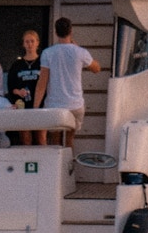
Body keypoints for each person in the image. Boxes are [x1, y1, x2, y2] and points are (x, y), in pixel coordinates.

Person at [34, 17, 101, 148]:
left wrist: (36, 107)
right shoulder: (80, 52)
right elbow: (96, 69)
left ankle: (57, 167)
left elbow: (42, 83)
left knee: (55, 140)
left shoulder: (48, 53)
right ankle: (70, 166)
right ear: (71, 31)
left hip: (55, 104)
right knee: (70, 140)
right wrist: (78, 48)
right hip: (75, 104)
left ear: (55, 32)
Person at [8, 29, 46, 145]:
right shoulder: (17, 64)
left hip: (41, 106)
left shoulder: (43, 62)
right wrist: (18, 92)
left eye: (32, 41)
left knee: (41, 138)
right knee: (25, 139)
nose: (30, 44)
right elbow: (11, 87)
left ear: (37, 43)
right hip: (23, 106)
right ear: (23, 44)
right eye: (27, 42)